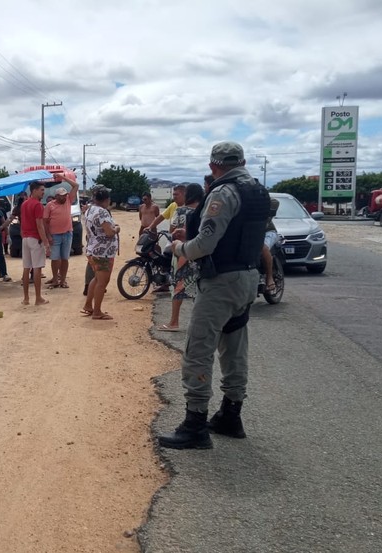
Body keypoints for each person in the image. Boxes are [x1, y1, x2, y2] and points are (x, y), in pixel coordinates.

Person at [158, 141, 270, 450]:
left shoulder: (223, 193)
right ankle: (231, 415)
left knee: (199, 348)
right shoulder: (257, 191)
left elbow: (205, 246)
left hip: (221, 281)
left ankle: (195, 424)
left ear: (213, 166)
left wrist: (179, 248)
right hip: (248, 277)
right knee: (235, 347)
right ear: (243, 161)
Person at [158, 184, 203, 332]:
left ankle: (174, 322)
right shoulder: (204, 212)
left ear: (187, 194)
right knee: (199, 287)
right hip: (200, 254)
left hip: (182, 254)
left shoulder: (181, 211)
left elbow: (173, 232)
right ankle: (199, 323)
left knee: (178, 287)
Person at [80, 187, 119, 320]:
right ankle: (97, 311)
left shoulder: (90, 209)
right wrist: (116, 229)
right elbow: (109, 232)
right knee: (102, 282)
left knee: (96, 279)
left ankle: (88, 305)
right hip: (103, 252)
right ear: (107, 200)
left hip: (92, 249)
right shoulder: (102, 212)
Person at [43, 174, 79, 288]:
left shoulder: (68, 200)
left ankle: (62, 280)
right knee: (55, 259)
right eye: (62, 196)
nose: (64, 197)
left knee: (65, 258)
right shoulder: (50, 205)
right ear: (56, 196)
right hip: (55, 235)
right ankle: (55, 279)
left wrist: (63, 178)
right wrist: (48, 236)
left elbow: (76, 185)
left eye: (65, 195)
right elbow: (45, 222)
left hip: (67, 234)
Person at [19, 182, 51, 305]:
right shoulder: (38, 205)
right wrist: (46, 242)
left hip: (25, 238)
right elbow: (40, 225)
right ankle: (38, 298)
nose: (43, 192)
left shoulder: (24, 204)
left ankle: (26, 298)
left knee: (26, 268)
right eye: (41, 190)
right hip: (35, 239)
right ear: (35, 190)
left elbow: (22, 222)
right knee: (37, 268)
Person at [261, 196, 281, 292]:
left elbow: (274, 202)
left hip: (268, 232)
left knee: (263, 248)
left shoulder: (256, 196)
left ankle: (269, 277)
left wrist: (266, 215)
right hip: (249, 233)